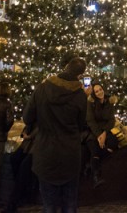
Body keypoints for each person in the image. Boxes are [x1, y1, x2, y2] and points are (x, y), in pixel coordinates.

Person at [23, 57, 88, 212]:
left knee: (49, 205)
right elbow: (81, 125)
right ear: (80, 75)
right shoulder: (80, 95)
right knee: (70, 204)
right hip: (70, 155)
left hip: (45, 153)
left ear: (65, 67)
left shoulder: (42, 88)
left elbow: (27, 117)